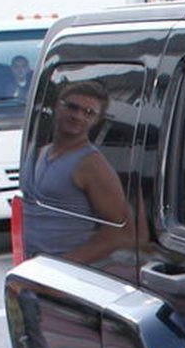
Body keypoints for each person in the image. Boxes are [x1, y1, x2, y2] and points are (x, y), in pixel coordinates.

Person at [22, 81, 132, 262]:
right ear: (57, 105)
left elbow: (120, 232)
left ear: (97, 120)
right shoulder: (42, 152)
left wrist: (61, 268)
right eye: (72, 107)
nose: (78, 116)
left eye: (89, 113)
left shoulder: (91, 164)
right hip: (32, 269)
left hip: (61, 275)